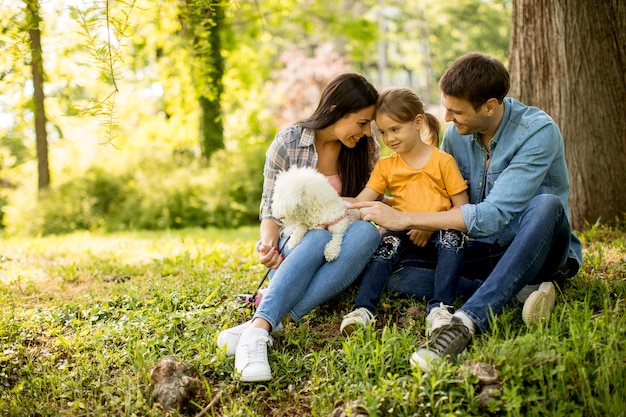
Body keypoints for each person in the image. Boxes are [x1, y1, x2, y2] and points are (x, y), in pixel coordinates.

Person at [351, 53, 582, 372]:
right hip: (481, 251)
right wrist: (400, 213)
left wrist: (408, 219)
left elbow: (493, 215)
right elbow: (442, 195)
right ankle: (514, 290)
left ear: (489, 105)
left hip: (537, 250)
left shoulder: (536, 132)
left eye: (455, 111)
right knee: (393, 265)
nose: (446, 118)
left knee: (547, 205)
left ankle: (466, 322)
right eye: (446, 107)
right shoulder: (456, 137)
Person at [217, 73, 381, 382]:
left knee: (368, 232)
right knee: (317, 234)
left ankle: (264, 324)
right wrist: (267, 245)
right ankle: (261, 329)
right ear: (335, 110)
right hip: (299, 242)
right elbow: (270, 209)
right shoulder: (288, 142)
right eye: (361, 122)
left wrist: (337, 204)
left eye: (369, 123)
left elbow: (374, 204)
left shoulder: (366, 149)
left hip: (343, 243)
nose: (367, 131)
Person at [339, 87, 470, 336]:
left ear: (417, 122)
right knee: (385, 243)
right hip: (402, 233)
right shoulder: (387, 166)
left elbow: (462, 209)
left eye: (395, 129)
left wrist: (429, 224)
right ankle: (363, 309)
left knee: (453, 235)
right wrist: (325, 203)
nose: (389, 139)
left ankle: (440, 308)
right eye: (383, 132)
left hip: (440, 231)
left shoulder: (443, 161)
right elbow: (361, 202)